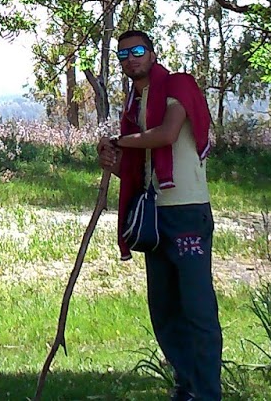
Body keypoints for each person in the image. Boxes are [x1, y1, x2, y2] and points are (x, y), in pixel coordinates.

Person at [97, 30, 221, 401]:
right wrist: (114, 162)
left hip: (186, 211)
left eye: (138, 51)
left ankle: (208, 393)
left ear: (152, 53)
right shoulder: (135, 102)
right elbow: (141, 167)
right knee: (164, 310)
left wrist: (119, 142)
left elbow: (166, 135)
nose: (130, 58)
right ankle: (186, 385)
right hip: (153, 215)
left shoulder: (178, 86)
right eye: (123, 54)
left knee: (197, 308)